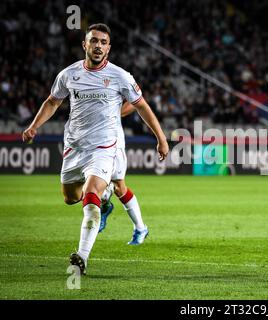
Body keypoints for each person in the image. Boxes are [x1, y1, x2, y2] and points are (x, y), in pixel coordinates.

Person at [22, 23, 169, 275]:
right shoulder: (68, 75)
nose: (98, 45)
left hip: (104, 147)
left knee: (90, 200)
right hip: (74, 147)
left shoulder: (120, 76)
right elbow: (53, 101)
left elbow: (141, 105)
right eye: (94, 41)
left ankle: (82, 257)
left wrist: (161, 137)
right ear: (85, 45)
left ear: (109, 48)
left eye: (103, 42)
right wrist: (34, 125)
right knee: (70, 198)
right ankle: (105, 194)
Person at [98, 101, 150, 245]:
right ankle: (104, 202)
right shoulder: (78, 80)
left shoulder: (118, 78)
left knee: (118, 186)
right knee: (82, 186)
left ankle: (140, 228)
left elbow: (135, 101)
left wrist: (108, 115)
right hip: (87, 141)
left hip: (113, 142)